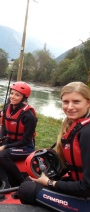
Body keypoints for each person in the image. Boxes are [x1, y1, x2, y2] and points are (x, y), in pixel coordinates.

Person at [18, 82, 90, 211]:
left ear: (88, 103)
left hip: (86, 196)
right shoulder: (75, 126)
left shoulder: (87, 133)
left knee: (26, 189)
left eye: (76, 102)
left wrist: (50, 183)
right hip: (80, 187)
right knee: (29, 180)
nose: (70, 107)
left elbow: (87, 187)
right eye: (65, 102)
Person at [0, 81, 37, 193]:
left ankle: (22, 182)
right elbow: (4, 126)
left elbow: (26, 140)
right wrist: (0, 137)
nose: (13, 97)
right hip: (11, 142)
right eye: (12, 93)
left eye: (17, 95)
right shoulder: (7, 108)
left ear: (24, 97)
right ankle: (5, 182)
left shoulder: (29, 116)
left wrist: (6, 146)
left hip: (25, 147)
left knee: (2, 155)